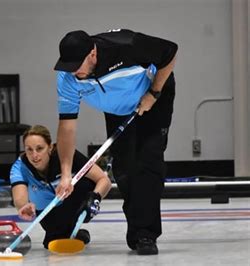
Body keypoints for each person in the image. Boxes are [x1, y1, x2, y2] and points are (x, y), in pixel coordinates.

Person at [53, 29, 178, 255]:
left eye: (76, 65)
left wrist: (154, 92)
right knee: (125, 168)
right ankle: (137, 231)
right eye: (67, 65)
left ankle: (145, 235)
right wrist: (65, 173)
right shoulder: (67, 77)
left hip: (152, 96)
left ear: (92, 54)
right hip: (117, 108)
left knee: (147, 162)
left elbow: (169, 52)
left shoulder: (126, 46)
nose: (72, 71)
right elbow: (67, 127)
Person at [10, 125, 112, 249]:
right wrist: (24, 206)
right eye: (29, 150)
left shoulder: (67, 154)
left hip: (74, 199)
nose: (34, 155)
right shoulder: (19, 167)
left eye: (39, 148)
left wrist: (94, 198)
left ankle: (75, 221)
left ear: (50, 147)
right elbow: (19, 197)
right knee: (52, 242)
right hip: (48, 208)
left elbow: (104, 180)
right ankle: (72, 232)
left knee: (86, 183)